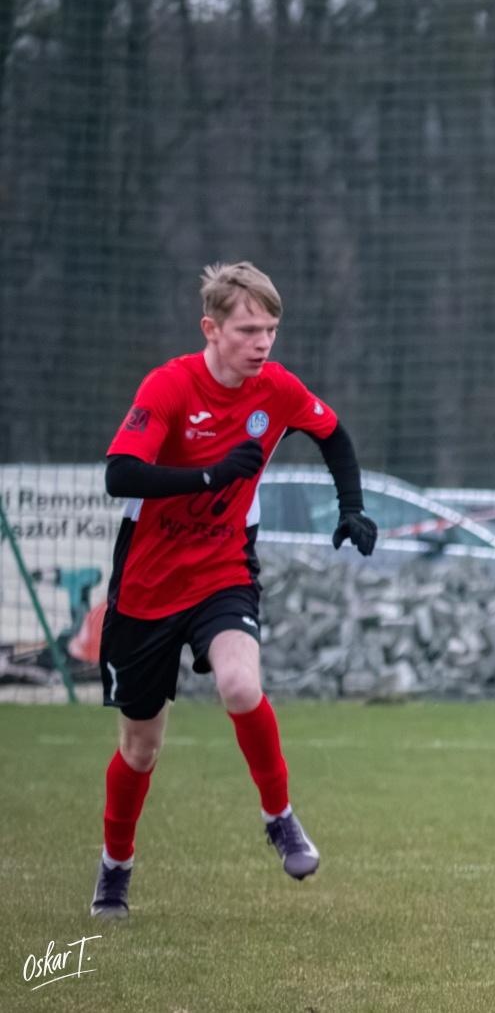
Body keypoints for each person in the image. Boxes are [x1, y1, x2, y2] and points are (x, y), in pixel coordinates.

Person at [89, 261, 378, 919]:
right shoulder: (169, 385)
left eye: (271, 329)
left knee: (241, 684)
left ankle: (279, 816)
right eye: (249, 329)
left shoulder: (273, 388)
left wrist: (351, 507)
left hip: (224, 570)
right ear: (211, 329)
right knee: (141, 746)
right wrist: (210, 475)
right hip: (147, 584)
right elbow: (120, 474)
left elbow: (331, 433)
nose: (263, 343)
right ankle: (115, 867)